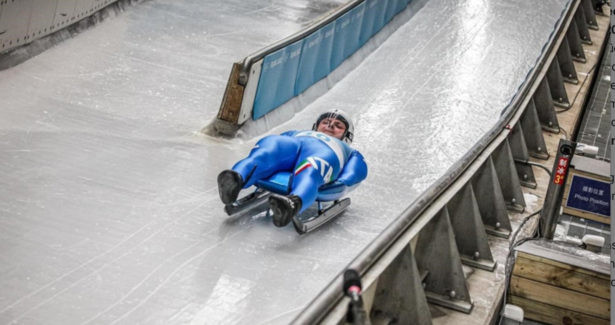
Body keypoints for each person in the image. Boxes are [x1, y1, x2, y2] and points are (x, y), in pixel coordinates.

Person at [217, 109, 368, 227]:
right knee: (267, 152)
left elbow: (356, 172)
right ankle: (236, 178)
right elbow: (280, 138)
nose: (330, 125)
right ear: (316, 126)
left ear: (347, 136)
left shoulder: (348, 151)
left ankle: (293, 203)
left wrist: (340, 185)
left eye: (338, 126)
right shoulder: (297, 132)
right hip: (294, 144)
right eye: (326, 122)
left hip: (325, 152)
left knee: (312, 168)